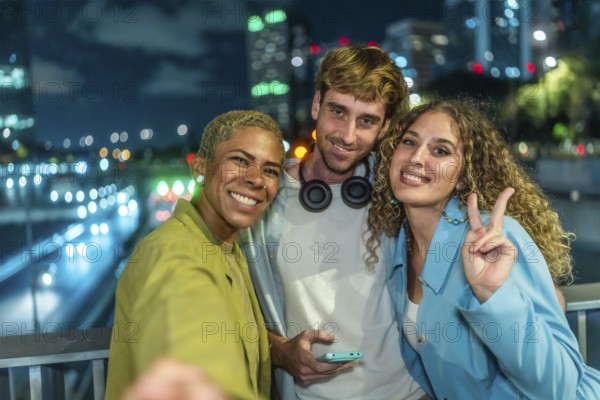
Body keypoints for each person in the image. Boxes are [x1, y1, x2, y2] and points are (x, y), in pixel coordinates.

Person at [366, 98, 600, 398]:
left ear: (464, 176)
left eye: (441, 150)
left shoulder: (494, 239)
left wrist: (494, 295)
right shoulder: (400, 246)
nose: (416, 157)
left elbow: (558, 387)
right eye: (409, 142)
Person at [239, 45, 427, 399]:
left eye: (367, 120)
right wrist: (278, 351)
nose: (347, 135)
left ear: (384, 126)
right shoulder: (263, 202)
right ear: (316, 105)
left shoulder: (402, 194)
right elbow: (231, 312)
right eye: (338, 111)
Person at [105, 110, 285, 400]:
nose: (256, 179)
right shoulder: (171, 252)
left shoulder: (226, 249)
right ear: (200, 168)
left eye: (270, 170)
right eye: (240, 160)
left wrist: (281, 351)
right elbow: (187, 323)